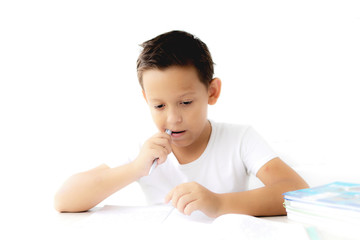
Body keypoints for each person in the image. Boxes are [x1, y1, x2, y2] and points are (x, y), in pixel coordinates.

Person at [54, 30, 308, 218]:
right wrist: (135, 168)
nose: (173, 118)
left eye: (185, 102)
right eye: (159, 106)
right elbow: (64, 200)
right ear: (146, 99)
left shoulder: (240, 139)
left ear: (212, 92)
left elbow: (298, 193)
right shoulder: (143, 150)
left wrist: (218, 204)